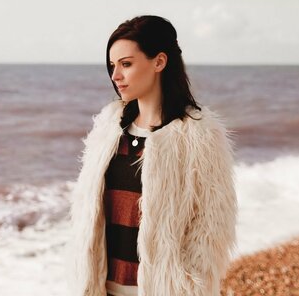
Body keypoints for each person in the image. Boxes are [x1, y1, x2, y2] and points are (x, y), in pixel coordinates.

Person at [64, 15, 238, 296]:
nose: (115, 75)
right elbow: (87, 216)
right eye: (112, 66)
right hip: (100, 288)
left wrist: (188, 287)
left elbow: (210, 229)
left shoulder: (198, 136)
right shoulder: (108, 130)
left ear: (159, 62)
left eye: (126, 64)